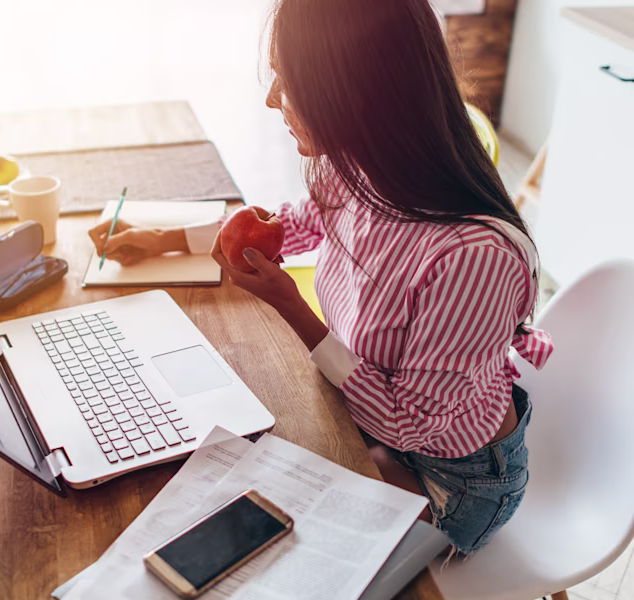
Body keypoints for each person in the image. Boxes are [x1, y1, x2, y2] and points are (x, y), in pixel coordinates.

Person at [87, 0, 552, 557]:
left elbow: (409, 426)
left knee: (279, 547)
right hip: (371, 426)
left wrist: (295, 311)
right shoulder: (358, 166)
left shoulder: (474, 258)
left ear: (353, 90)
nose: (270, 99)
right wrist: (164, 238)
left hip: (451, 479)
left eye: (288, 79)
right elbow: (294, 226)